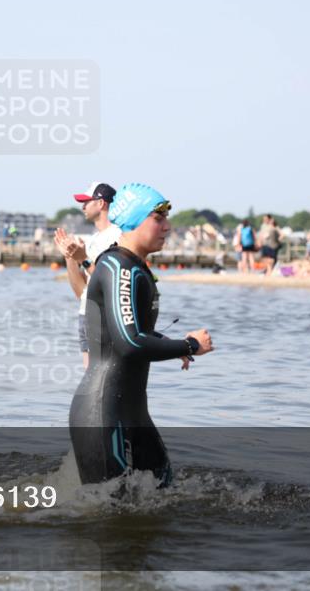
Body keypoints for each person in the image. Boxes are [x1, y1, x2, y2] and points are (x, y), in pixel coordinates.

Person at [69, 183, 214, 489]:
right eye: (158, 218)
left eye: (166, 218)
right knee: (109, 511)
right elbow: (130, 342)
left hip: (132, 411)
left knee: (165, 497)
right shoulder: (118, 267)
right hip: (103, 411)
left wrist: (173, 347)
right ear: (135, 220)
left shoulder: (132, 267)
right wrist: (189, 345)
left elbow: (131, 332)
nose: (167, 227)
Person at [54, 182, 122, 369]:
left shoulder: (117, 236)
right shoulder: (93, 240)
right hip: (87, 314)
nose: (83, 207)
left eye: (86, 202)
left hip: (105, 317)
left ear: (101, 203)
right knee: (90, 380)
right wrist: (69, 257)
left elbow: (111, 280)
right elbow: (81, 292)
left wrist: (82, 259)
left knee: (105, 379)